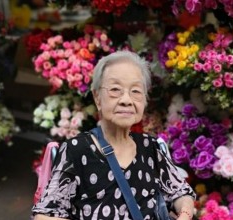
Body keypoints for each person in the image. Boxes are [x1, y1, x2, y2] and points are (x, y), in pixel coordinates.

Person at [32, 50, 196, 220]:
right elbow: (45, 215)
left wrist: (184, 214)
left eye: (136, 91)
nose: (126, 100)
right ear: (97, 98)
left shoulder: (150, 147)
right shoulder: (77, 150)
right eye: (115, 89)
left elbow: (181, 192)